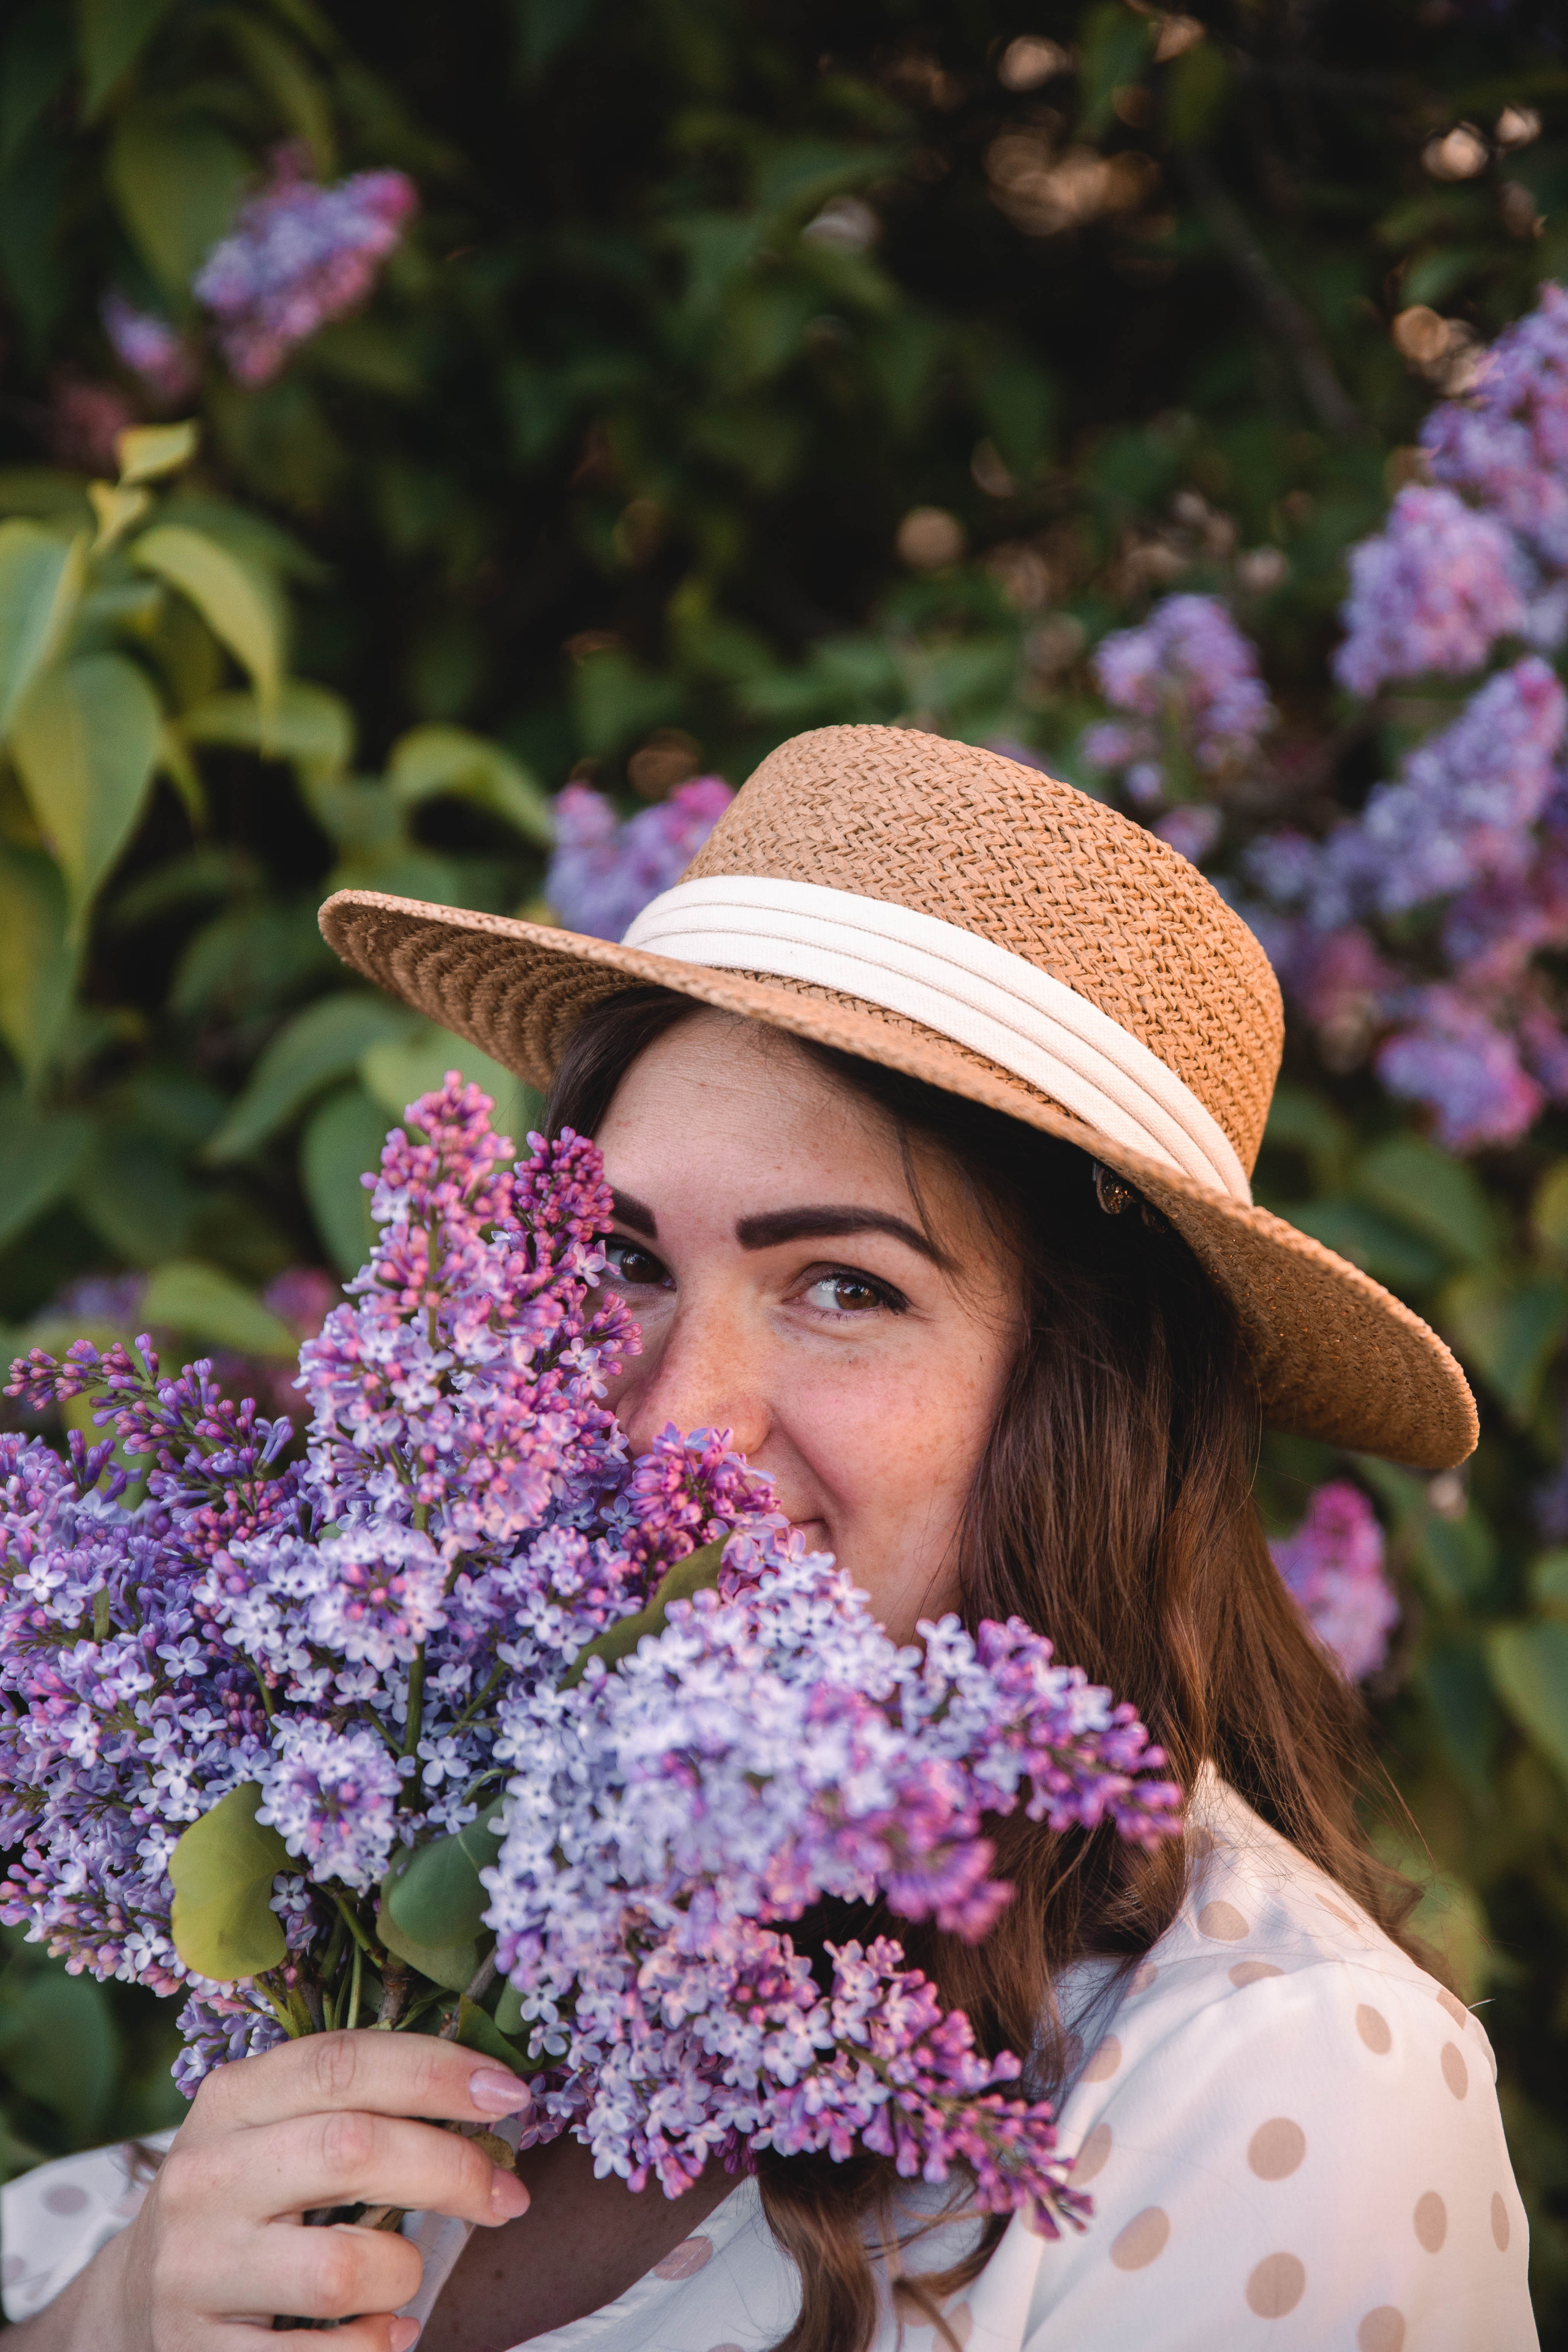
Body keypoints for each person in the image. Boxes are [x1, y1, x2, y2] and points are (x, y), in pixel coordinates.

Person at [1, 727, 1536, 2351]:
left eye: (846, 1288)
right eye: (626, 1262)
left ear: (1091, 1406)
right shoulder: (463, 1856)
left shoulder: (1276, 2081)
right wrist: (105, 2323)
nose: (678, 1424)